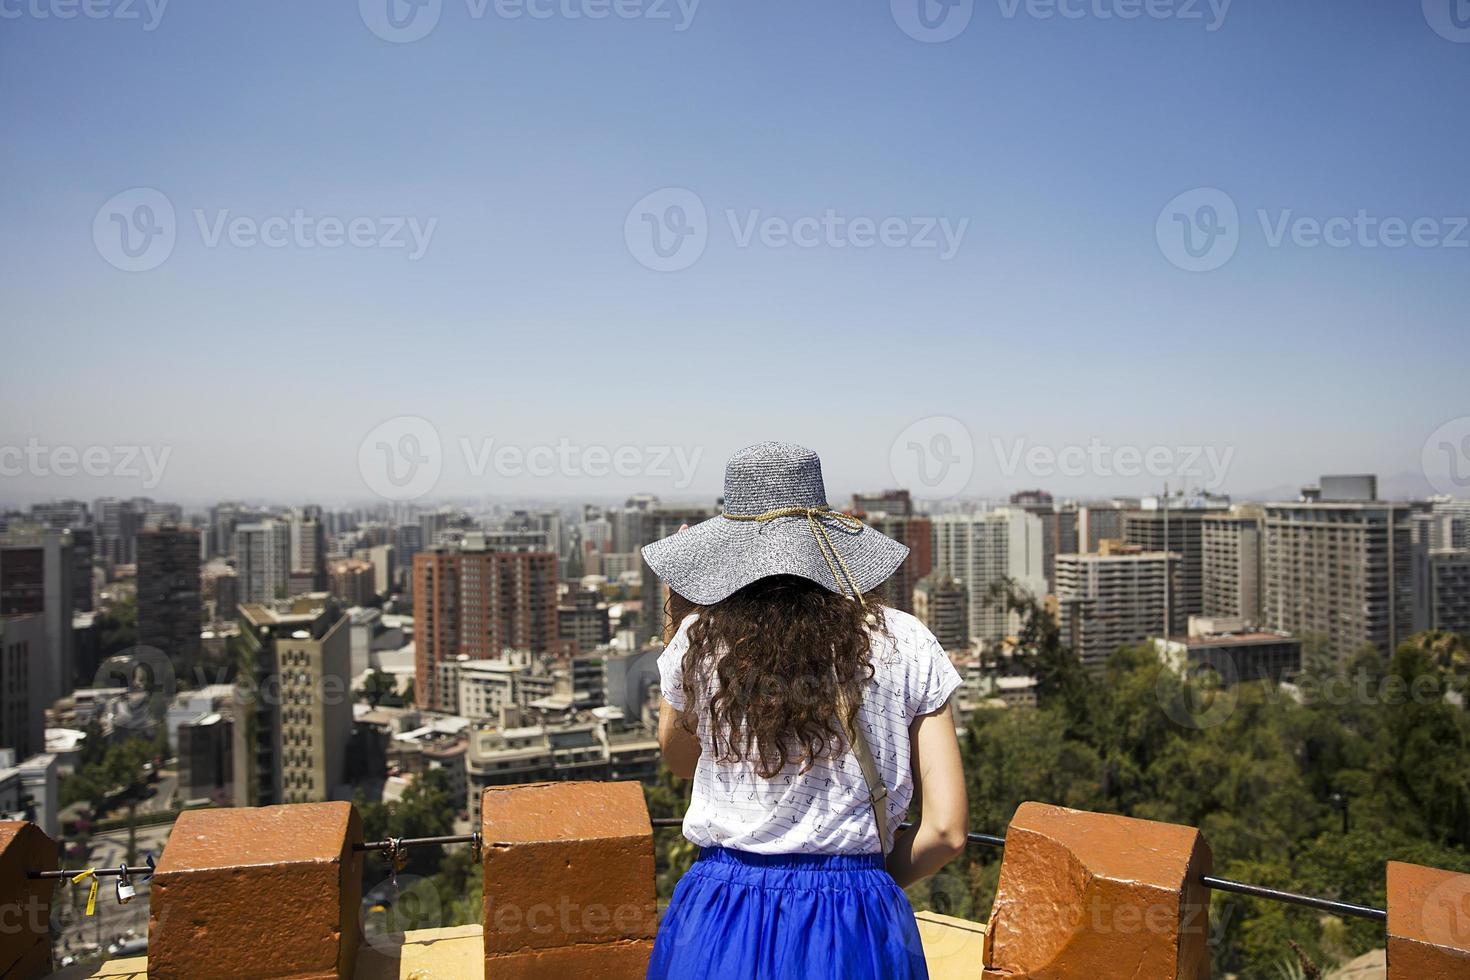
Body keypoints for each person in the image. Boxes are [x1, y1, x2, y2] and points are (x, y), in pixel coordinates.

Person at [642, 441, 968, 980]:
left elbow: (679, 760)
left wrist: (678, 619)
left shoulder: (700, 642)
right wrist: (859, 881)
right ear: (828, 544)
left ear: (729, 548)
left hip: (720, 912)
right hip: (855, 918)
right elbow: (948, 831)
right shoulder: (907, 641)